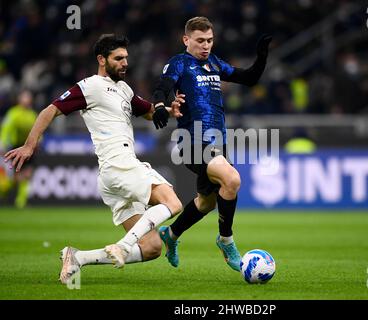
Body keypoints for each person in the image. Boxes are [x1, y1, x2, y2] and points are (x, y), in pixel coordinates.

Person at [4, 34, 186, 284]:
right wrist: (29, 145)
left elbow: (148, 112)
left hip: (113, 175)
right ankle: (122, 246)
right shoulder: (89, 86)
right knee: (173, 203)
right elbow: (51, 110)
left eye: (126, 58)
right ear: (102, 59)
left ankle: (78, 258)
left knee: (152, 247)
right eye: (118, 58)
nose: (125, 63)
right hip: (119, 165)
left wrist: (168, 110)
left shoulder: (124, 89)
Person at [151, 17, 271, 271]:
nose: (206, 46)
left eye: (209, 40)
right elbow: (163, 87)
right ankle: (226, 241)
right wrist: (160, 106)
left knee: (206, 203)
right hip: (192, 141)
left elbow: (249, 78)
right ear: (186, 40)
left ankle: (170, 234)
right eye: (200, 41)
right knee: (233, 179)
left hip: (218, 144)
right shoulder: (180, 63)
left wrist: (261, 56)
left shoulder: (214, 62)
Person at [0, 90, 37, 208]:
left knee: (27, 174)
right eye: (24, 97)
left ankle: (21, 202)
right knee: (16, 177)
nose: (26, 99)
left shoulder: (32, 115)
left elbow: (37, 130)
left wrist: (38, 141)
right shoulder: (13, 113)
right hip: (16, 146)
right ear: (19, 99)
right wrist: (3, 143)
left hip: (29, 147)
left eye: (28, 97)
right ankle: (3, 190)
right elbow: (6, 128)